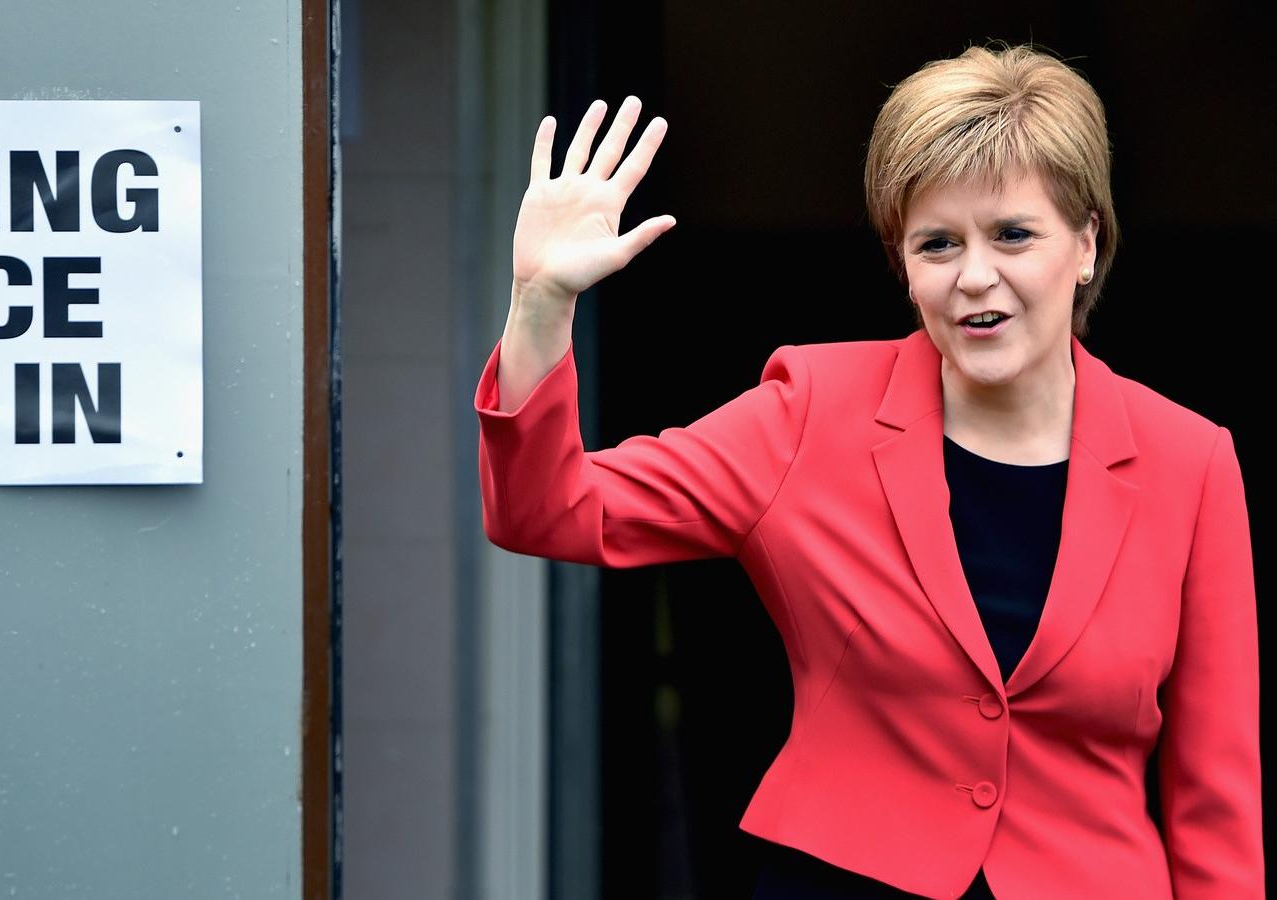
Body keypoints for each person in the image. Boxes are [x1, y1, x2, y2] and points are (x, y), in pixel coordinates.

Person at [472, 42, 1261, 899]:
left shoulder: (1191, 460)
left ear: (1085, 242)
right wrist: (541, 303)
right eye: (937, 244)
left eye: (1012, 234)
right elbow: (548, 509)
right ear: (904, 267)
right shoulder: (810, 410)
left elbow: (1214, 798)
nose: (975, 276)